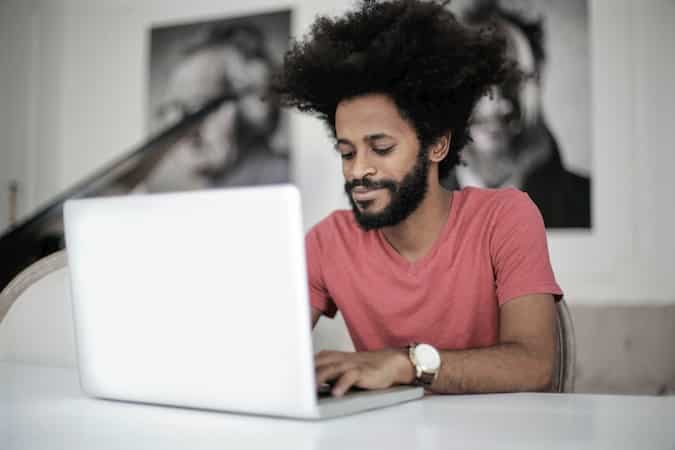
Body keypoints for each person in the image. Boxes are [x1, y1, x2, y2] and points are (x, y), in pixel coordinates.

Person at [274, 0, 563, 397]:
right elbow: (269, 355)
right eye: (346, 152)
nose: (358, 170)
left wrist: (406, 363)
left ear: (437, 144)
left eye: (380, 147)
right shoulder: (328, 242)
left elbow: (535, 366)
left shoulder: (505, 217)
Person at [441, 1, 591, 228]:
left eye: (515, 79)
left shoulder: (588, 204)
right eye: (476, 81)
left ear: (539, 84)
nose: (496, 103)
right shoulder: (405, 216)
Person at [145, 23, 289, 192]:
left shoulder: (283, 181)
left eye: (197, 106)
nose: (178, 123)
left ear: (254, 109)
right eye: (171, 108)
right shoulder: (209, 194)